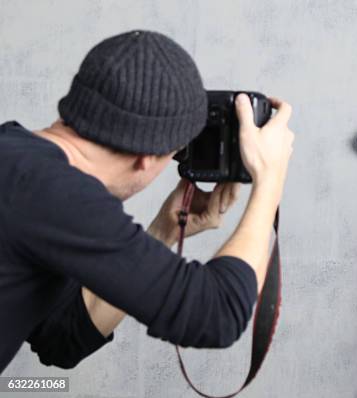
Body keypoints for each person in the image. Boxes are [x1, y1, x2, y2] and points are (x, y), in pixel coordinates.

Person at [0, 30, 294, 372]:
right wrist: (269, 181)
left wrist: (163, 231)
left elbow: (61, 337)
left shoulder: (21, 163)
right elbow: (217, 313)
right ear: (146, 158)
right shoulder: (55, 195)